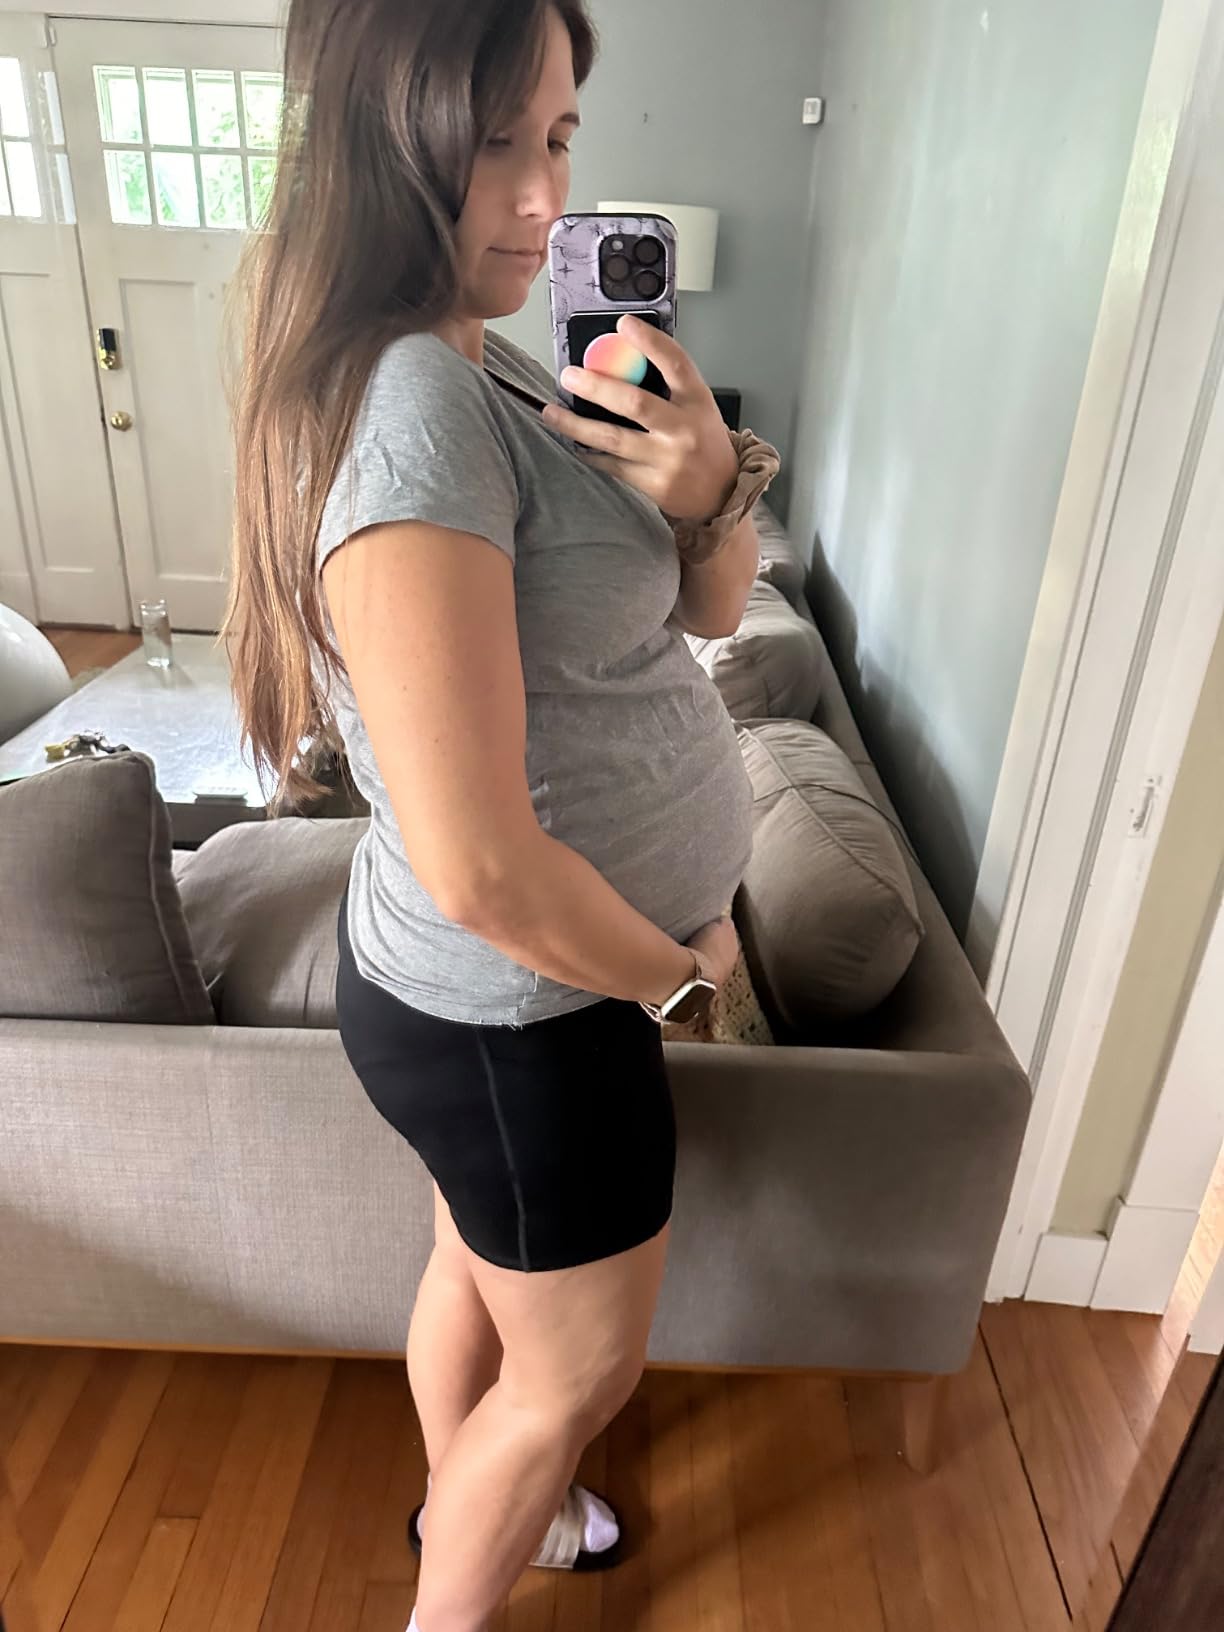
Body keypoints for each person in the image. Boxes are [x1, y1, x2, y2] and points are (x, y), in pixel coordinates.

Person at [222, 2, 778, 1628]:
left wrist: (708, 492)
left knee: (479, 1266)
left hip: (502, 998)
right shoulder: (411, 404)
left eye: (559, 140)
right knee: (576, 1375)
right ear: (379, 139)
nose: (544, 199)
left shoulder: (487, 355)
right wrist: (679, 985)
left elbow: (708, 616)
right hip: (523, 1011)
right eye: (493, 145)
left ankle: (478, 1506)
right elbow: (480, 865)